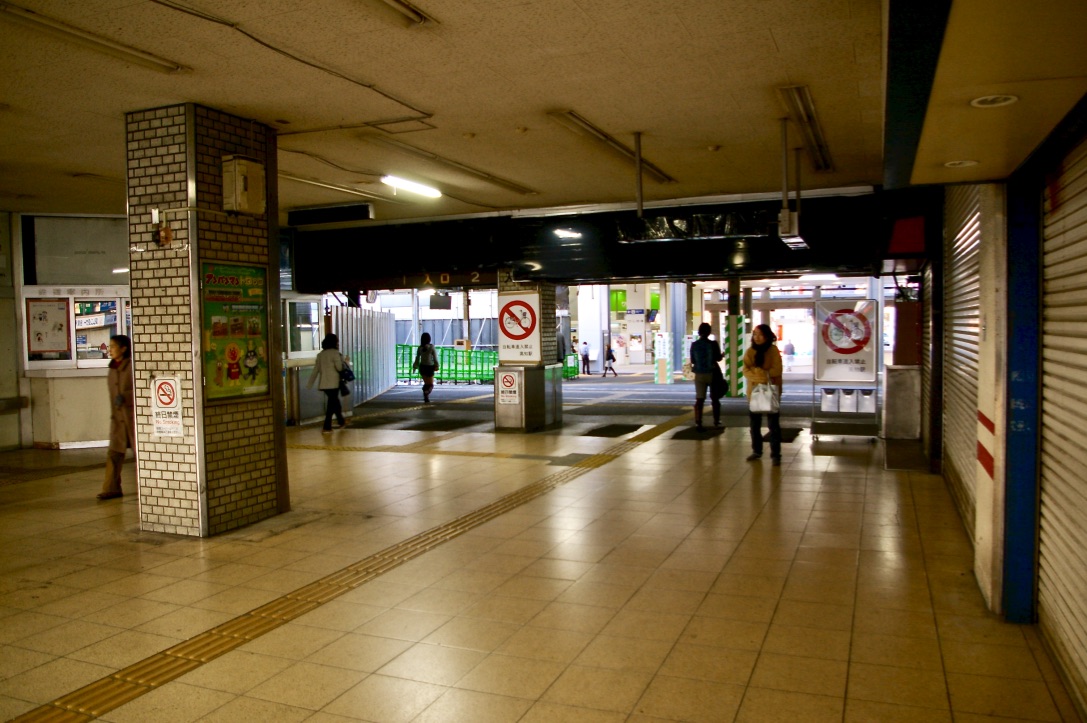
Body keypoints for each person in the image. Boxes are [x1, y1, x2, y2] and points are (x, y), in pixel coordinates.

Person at [98, 335, 135, 500]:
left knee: (141, 454)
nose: (110, 349)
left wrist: (126, 397)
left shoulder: (132, 367)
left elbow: (143, 390)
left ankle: (151, 485)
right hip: (118, 420)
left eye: (113, 346)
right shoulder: (112, 369)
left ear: (123, 349)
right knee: (114, 454)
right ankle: (111, 488)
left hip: (132, 419)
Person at [743, 323, 784, 465]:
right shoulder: (750, 352)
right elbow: (745, 370)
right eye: (755, 334)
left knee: (773, 425)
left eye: (760, 334)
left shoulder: (773, 351)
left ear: (767, 336)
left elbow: (777, 370)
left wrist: (762, 374)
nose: (757, 337)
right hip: (754, 391)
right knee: (754, 425)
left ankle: (776, 454)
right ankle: (756, 450)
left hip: (771, 390)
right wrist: (760, 376)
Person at [307, 333, 348, 432]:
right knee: (332, 404)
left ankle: (341, 422)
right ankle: (327, 426)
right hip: (334, 383)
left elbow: (315, 370)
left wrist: (310, 384)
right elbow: (339, 368)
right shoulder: (335, 353)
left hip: (324, 384)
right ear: (335, 343)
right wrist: (345, 362)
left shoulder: (320, 355)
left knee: (334, 402)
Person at [689, 322, 723, 431]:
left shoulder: (694, 344)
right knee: (715, 399)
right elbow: (718, 358)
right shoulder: (713, 344)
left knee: (700, 399)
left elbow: (693, 360)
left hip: (699, 374)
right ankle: (716, 422)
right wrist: (721, 355)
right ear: (709, 332)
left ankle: (698, 422)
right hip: (712, 374)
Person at [413, 332, 439, 403]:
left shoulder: (420, 348)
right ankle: (426, 392)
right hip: (429, 368)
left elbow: (417, 358)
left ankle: (426, 397)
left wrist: (414, 367)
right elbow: (435, 358)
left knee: (426, 383)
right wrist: (437, 366)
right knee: (430, 385)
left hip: (422, 368)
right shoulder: (431, 347)